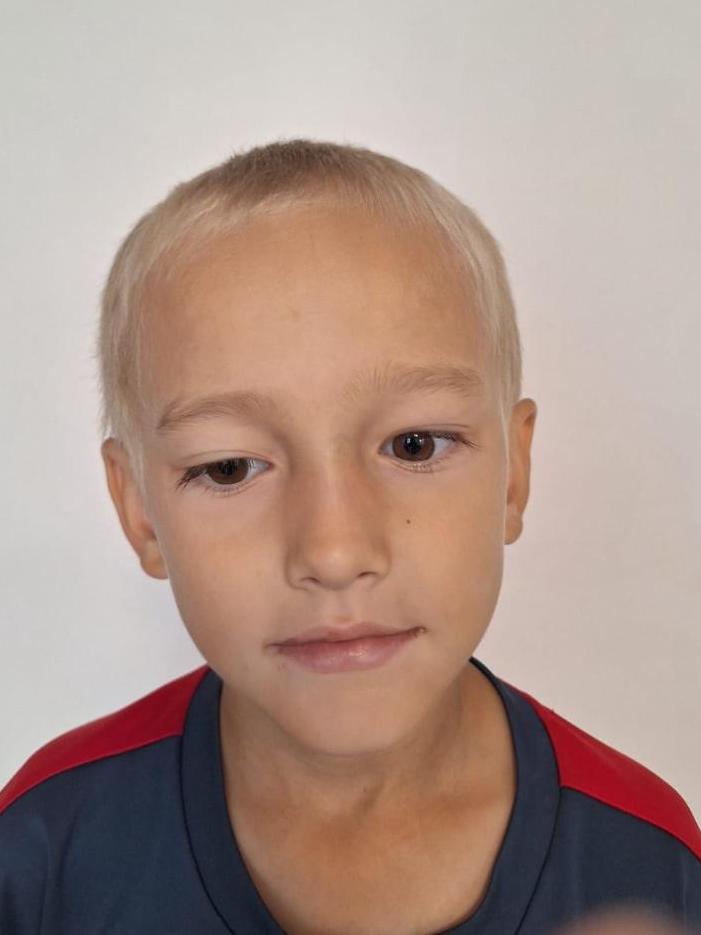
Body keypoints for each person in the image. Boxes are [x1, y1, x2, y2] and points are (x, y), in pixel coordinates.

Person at [1, 138, 699, 935]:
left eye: (413, 445)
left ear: (513, 474)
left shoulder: (649, 865)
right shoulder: (44, 851)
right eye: (229, 467)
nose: (334, 553)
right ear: (139, 511)